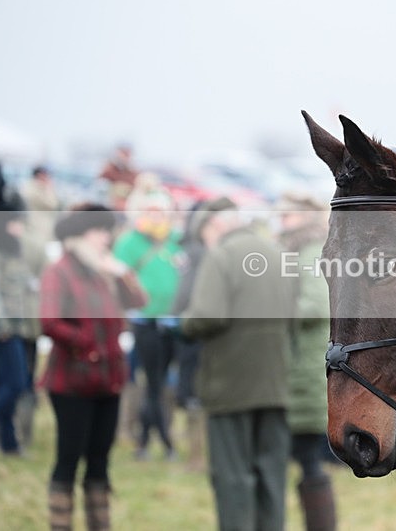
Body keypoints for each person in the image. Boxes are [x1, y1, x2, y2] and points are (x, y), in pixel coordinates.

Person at [181, 210, 296, 531]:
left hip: (229, 383)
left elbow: (207, 315)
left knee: (232, 475)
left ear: (214, 226)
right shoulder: (279, 254)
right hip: (275, 382)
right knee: (271, 472)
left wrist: (183, 325)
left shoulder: (221, 256)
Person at [39, 204, 146, 530]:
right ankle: (62, 524)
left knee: (100, 461)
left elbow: (139, 302)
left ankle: (100, 525)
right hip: (71, 383)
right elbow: (50, 321)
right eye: (98, 232)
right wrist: (86, 343)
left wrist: (123, 273)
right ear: (79, 237)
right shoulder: (59, 271)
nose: (105, 238)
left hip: (108, 381)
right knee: (69, 459)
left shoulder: (105, 271)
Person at [275, 193, 336, 531]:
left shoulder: (310, 252)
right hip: (299, 365)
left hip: (304, 366)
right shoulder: (297, 250)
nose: (281, 222)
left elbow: (316, 304)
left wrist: (272, 314)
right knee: (301, 458)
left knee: (305, 459)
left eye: (287, 216)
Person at [113, 187, 183, 460]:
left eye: (161, 211)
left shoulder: (176, 239)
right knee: (152, 382)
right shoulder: (129, 242)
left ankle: (152, 439)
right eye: (151, 211)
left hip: (172, 322)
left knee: (164, 382)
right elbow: (120, 280)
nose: (156, 217)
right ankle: (158, 441)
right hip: (144, 322)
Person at [170, 196, 238, 471]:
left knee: (196, 394)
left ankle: (199, 458)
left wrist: (179, 321)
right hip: (207, 334)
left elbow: (186, 295)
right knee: (197, 394)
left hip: (199, 333)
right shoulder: (211, 252)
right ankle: (201, 456)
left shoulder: (202, 253)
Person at [0, 163, 35, 456]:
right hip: (1, 330)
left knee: (4, 385)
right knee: (15, 384)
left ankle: (9, 443)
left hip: (11, 326)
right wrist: (0, 325)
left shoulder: (10, 247)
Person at [98, 143, 138, 211]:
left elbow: (134, 187)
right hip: (110, 203)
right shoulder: (109, 169)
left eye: (126, 154)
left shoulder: (133, 172)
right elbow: (101, 184)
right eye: (122, 154)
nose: (124, 157)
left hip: (126, 206)